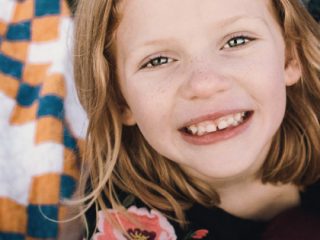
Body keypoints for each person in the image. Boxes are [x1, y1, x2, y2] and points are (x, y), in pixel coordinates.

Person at [73, 0, 320, 239]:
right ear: (120, 99)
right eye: (157, 60)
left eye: (237, 41)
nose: (204, 84)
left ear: (289, 56)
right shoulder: (123, 225)